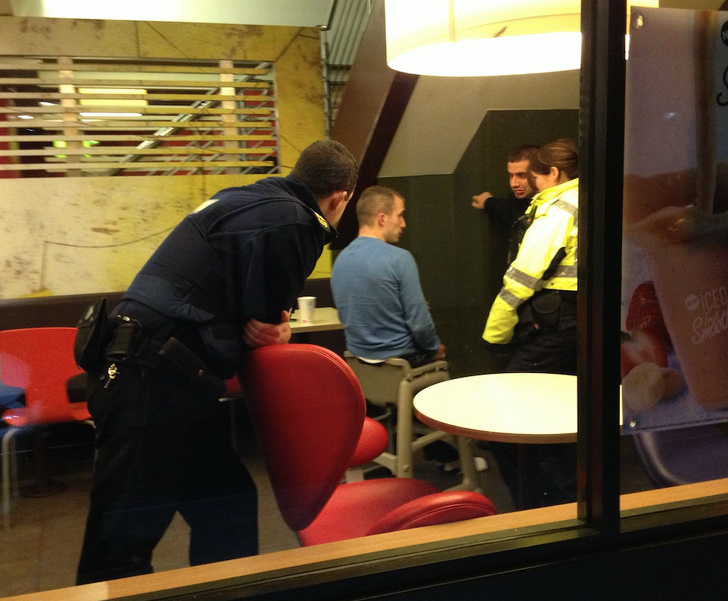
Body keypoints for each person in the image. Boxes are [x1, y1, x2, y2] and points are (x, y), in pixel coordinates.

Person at [75, 139, 358, 584]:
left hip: (164, 373)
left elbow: (251, 315)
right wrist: (275, 328)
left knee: (228, 505)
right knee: (119, 550)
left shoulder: (243, 196)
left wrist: (263, 323)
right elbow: (267, 326)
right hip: (152, 377)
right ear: (340, 197)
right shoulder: (300, 220)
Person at [482, 138, 579, 509]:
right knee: (561, 419)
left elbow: (521, 280)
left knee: (514, 425)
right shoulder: (589, 200)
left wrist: (495, 335)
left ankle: (534, 510)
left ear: (552, 173)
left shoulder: (558, 212)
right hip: (579, 326)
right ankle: (571, 509)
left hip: (554, 330)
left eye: (533, 176)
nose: (530, 185)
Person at [331, 185, 445, 368]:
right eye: (400, 215)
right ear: (382, 218)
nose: (403, 223)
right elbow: (420, 325)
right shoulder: (400, 259)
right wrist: (434, 346)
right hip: (402, 364)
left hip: (358, 365)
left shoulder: (340, 261)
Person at [471, 144, 539, 264]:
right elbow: (506, 209)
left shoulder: (552, 210)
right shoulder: (517, 205)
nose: (514, 183)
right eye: (511, 175)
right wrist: (487, 202)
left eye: (521, 175)